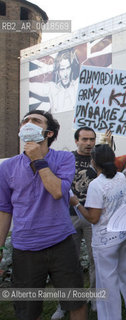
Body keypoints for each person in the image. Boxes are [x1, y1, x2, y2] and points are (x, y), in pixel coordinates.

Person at [0, 110, 87, 320]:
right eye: (25, 121)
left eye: (35, 121)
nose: (28, 124)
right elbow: (4, 210)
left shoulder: (64, 158)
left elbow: (58, 192)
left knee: (75, 301)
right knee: (28, 311)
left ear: (48, 133)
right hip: (24, 248)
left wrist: (39, 160)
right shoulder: (7, 167)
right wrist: (0, 247)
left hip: (61, 243)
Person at [71, 144, 126, 320]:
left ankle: (110, 316)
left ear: (94, 162)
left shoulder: (96, 185)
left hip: (105, 240)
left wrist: (76, 203)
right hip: (123, 233)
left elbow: (93, 218)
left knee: (106, 282)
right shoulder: (121, 177)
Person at [52, 126, 98, 320]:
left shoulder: (99, 160)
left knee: (97, 259)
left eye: (92, 139)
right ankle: (65, 303)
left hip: (92, 217)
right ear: (76, 140)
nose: (88, 143)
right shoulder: (66, 158)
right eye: (85, 139)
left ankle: (94, 298)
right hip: (69, 216)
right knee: (68, 262)